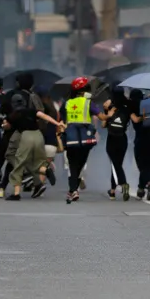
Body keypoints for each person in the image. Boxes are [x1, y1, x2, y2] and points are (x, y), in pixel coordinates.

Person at [4, 91, 63, 201]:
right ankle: (45, 170)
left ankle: (16, 193)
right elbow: (43, 116)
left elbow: (7, 126)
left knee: (19, 163)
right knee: (37, 161)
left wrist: (3, 125)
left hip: (26, 136)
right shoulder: (31, 111)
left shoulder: (13, 115)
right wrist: (57, 123)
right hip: (38, 135)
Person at [61, 76, 100, 204]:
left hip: (71, 139)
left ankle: (73, 190)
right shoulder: (89, 103)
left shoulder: (67, 103)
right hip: (85, 139)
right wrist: (109, 113)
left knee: (72, 165)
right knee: (80, 165)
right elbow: (101, 116)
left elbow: (62, 121)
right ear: (85, 90)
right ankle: (73, 189)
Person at [99, 86, 131, 201]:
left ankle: (123, 183)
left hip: (111, 138)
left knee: (114, 164)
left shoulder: (109, 106)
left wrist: (107, 112)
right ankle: (112, 191)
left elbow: (103, 125)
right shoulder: (127, 106)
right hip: (123, 138)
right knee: (117, 164)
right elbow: (135, 120)